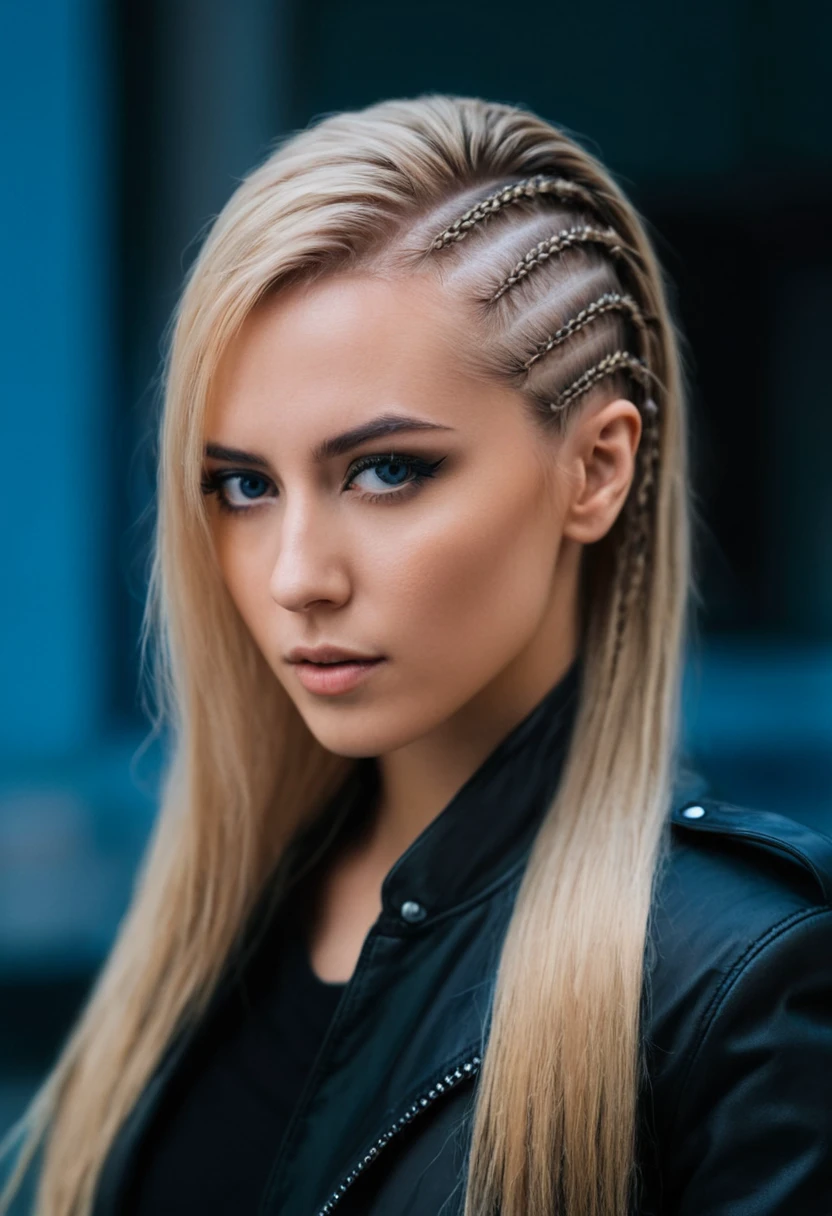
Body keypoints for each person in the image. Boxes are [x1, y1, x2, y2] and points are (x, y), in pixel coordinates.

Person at [2, 94, 831, 1216]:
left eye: (385, 470)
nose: (297, 573)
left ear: (595, 469)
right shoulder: (207, 933)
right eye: (243, 484)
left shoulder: (742, 989)